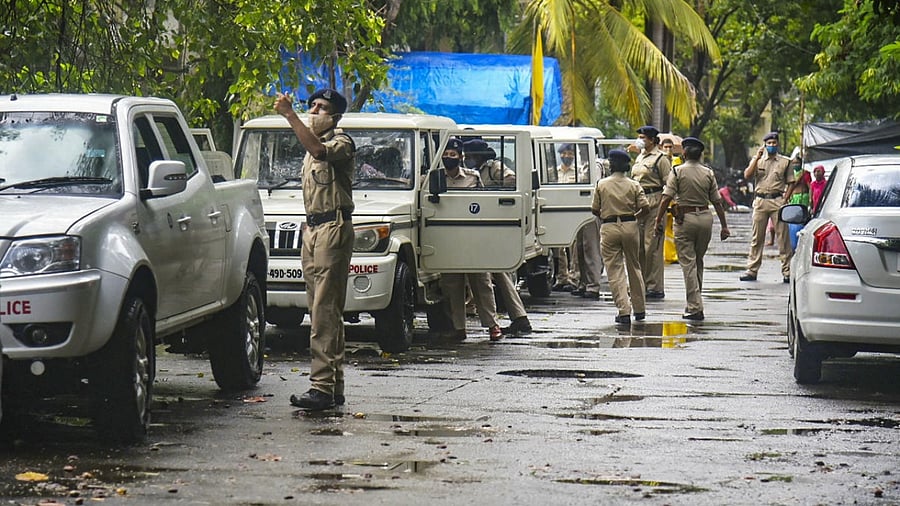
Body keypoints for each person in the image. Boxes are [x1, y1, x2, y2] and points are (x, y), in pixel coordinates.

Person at [276, 88, 355, 411]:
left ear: (334, 116)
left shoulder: (340, 142)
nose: (314, 110)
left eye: (321, 108)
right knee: (322, 309)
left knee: (324, 311)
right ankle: (332, 385)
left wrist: (290, 115)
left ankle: (321, 386)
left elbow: (321, 152)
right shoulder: (311, 146)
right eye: (312, 105)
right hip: (314, 229)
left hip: (333, 228)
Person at [653, 137, 731, 321]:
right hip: (705, 219)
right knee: (697, 261)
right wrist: (724, 226)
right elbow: (717, 202)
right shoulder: (708, 173)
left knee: (688, 263)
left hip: (685, 220)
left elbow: (666, 198)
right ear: (701, 154)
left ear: (684, 154)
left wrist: (658, 220)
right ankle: (694, 301)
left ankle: (695, 307)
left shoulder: (677, 172)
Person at [437, 138, 504, 341]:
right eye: (446, 155)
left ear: (460, 157)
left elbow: (482, 203)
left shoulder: (472, 177)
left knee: (481, 282)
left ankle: (492, 325)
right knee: (452, 284)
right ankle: (458, 328)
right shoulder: (434, 178)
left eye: (453, 155)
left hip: (472, 236)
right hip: (447, 236)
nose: (449, 158)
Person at [591, 149, 650, 325]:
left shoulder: (602, 184)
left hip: (609, 227)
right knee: (634, 266)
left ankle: (624, 310)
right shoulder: (633, 184)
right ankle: (640, 309)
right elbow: (645, 207)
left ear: (611, 165)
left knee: (615, 270)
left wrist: (607, 215)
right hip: (630, 225)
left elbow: (595, 209)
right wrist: (634, 217)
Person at [740, 131, 794, 283]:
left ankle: (787, 271)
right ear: (765, 144)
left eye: (774, 143)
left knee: (783, 238)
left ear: (778, 144)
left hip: (777, 200)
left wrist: (785, 198)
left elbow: (791, 182)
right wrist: (757, 157)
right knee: (757, 238)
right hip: (760, 201)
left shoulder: (785, 161)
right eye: (769, 143)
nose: (771, 146)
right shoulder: (758, 160)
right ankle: (752, 270)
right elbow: (747, 175)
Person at [631, 125, 672, 299]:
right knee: (639, 246)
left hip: (654, 203)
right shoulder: (639, 157)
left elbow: (669, 185)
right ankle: (642, 283)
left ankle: (655, 286)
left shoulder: (660, 159)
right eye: (639, 137)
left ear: (652, 140)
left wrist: (666, 207)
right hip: (638, 204)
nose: (640, 140)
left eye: (643, 137)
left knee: (652, 247)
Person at [785, 158, 811, 250]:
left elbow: (809, 186)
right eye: (794, 163)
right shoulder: (791, 174)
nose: (795, 164)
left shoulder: (805, 173)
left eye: (797, 163)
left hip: (802, 198)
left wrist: (811, 200)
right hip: (793, 198)